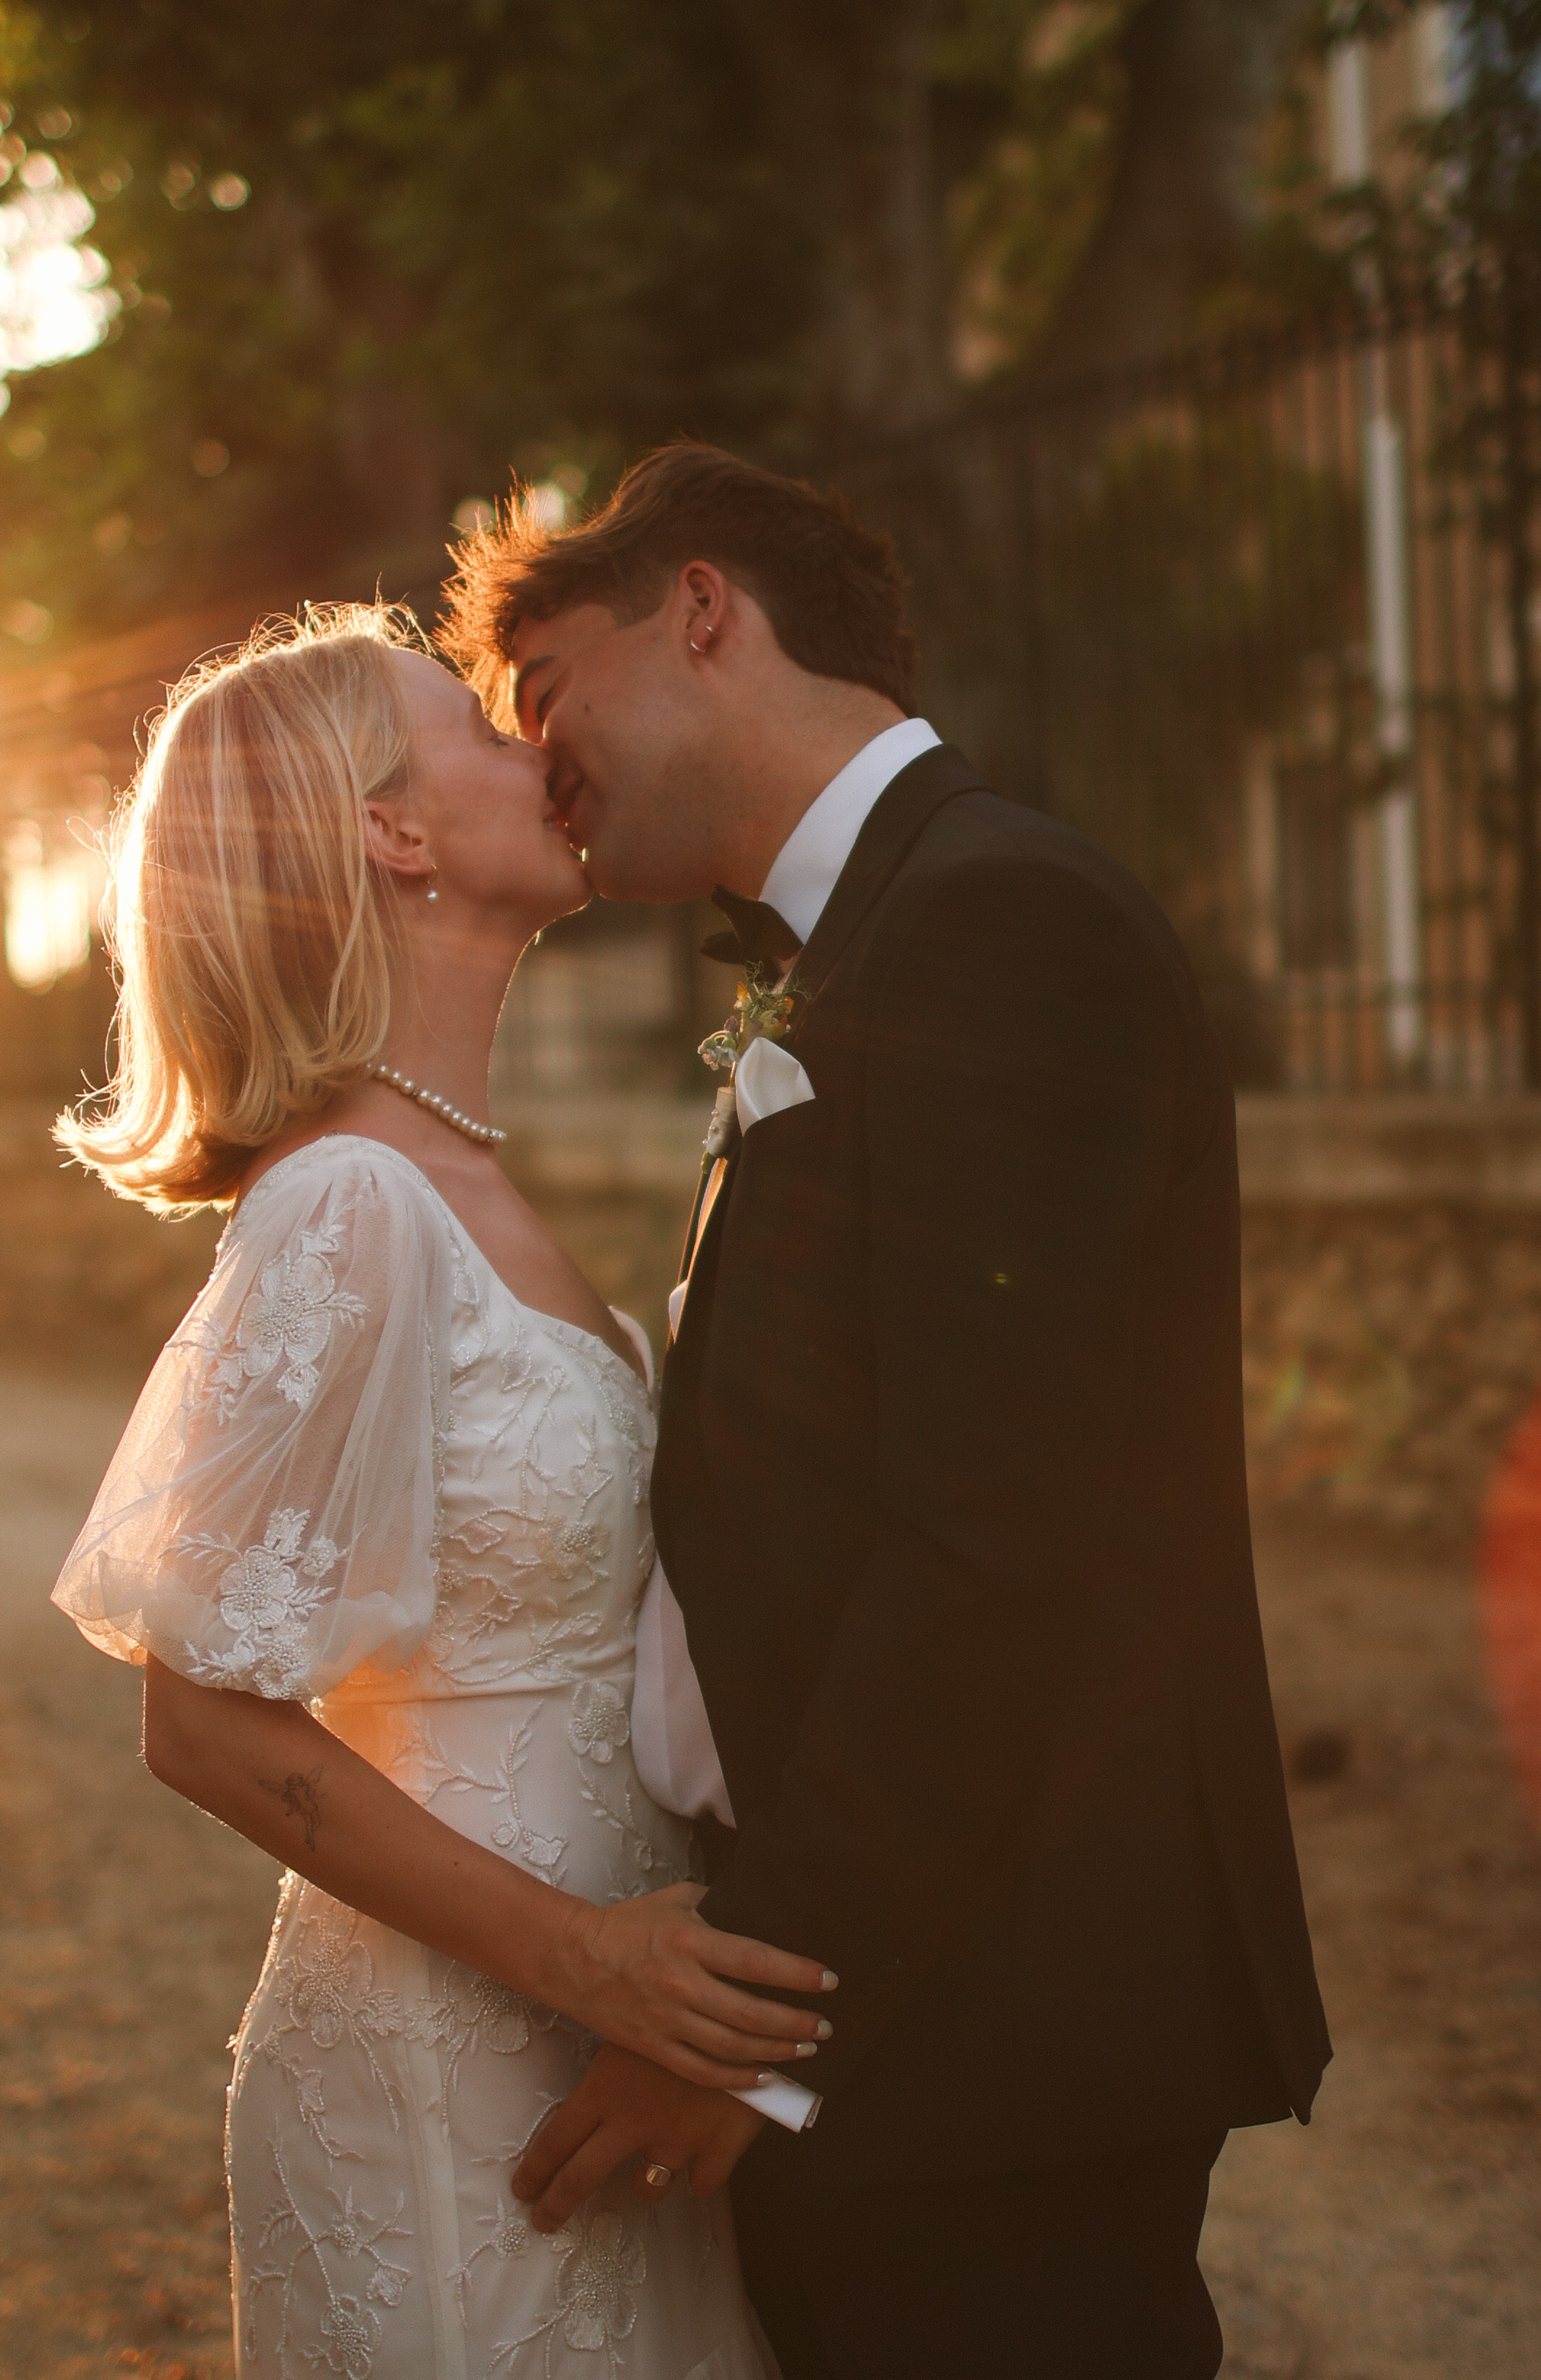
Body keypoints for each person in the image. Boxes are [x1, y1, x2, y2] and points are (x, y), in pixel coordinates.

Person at [442, 445, 1334, 2380]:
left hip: (992, 2018)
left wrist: (765, 2039)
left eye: (545, 697)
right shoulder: (866, 941)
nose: (534, 763)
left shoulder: (997, 924)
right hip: (929, 1991)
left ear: (698, 610)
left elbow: (994, 1550)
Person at [50, 604, 836, 2380]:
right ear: (390, 831)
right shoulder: (348, 1208)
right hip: (452, 2057)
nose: (532, 746)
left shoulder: (471, 1189)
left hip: (612, 2038)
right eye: (476, 732)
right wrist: (588, 1966)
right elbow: (204, 1723)